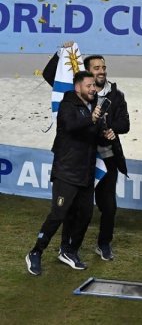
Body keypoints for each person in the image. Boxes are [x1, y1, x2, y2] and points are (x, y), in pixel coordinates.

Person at [26, 71, 116, 275]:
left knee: (85, 215)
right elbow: (70, 125)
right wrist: (91, 120)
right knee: (58, 214)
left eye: (94, 85)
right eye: (89, 85)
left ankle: (69, 251)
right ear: (78, 88)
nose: (93, 88)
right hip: (66, 172)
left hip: (86, 173)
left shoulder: (95, 107)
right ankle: (35, 252)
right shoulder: (67, 104)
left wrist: (106, 134)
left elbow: (96, 137)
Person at [80, 55, 130, 261]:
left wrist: (112, 130)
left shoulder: (116, 95)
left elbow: (124, 125)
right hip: (83, 158)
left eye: (103, 67)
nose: (101, 71)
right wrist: (61, 54)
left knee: (108, 206)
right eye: (96, 68)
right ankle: (70, 246)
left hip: (108, 158)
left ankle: (104, 244)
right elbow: (51, 77)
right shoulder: (79, 94)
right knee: (80, 207)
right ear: (87, 72)